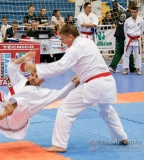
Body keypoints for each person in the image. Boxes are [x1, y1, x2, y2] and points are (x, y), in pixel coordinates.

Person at [26, 24, 128, 152]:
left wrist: (37, 68)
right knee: (106, 109)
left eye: (63, 38)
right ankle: (122, 137)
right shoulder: (88, 42)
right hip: (107, 82)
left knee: (65, 108)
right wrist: (80, 75)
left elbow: (60, 66)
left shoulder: (75, 48)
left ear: (70, 36)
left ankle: (59, 144)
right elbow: (90, 62)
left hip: (94, 85)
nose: (62, 42)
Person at [0, 51, 78, 140]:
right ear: (29, 75)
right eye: (33, 75)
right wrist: (23, 59)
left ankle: (9, 109)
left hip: (17, 120)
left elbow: (60, 93)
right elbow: (11, 68)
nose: (34, 77)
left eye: (37, 76)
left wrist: (74, 83)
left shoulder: (42, 94)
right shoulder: (20, 80)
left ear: (43, 80)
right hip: (2, 115)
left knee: (21, 101)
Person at [108, 1, 137, 73]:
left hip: (119, 33)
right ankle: (112, 66)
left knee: (127, 51)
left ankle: (132, 67)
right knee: (121, 51)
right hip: (124, 35)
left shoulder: (123, 14)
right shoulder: (130, 15)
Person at [122, 6, 144, 75]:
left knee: (138, 55)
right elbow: (125, 30)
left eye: (134, 12)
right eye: (132, 12)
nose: (133, 13)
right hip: (129, 38)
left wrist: (138, 37)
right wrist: (127, 37)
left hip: (137, 39)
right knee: (126, 54)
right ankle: (126, 69)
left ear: (137, 12)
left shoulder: (141, 20)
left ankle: (138, 69)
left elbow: (142, 30)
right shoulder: (127, 20)